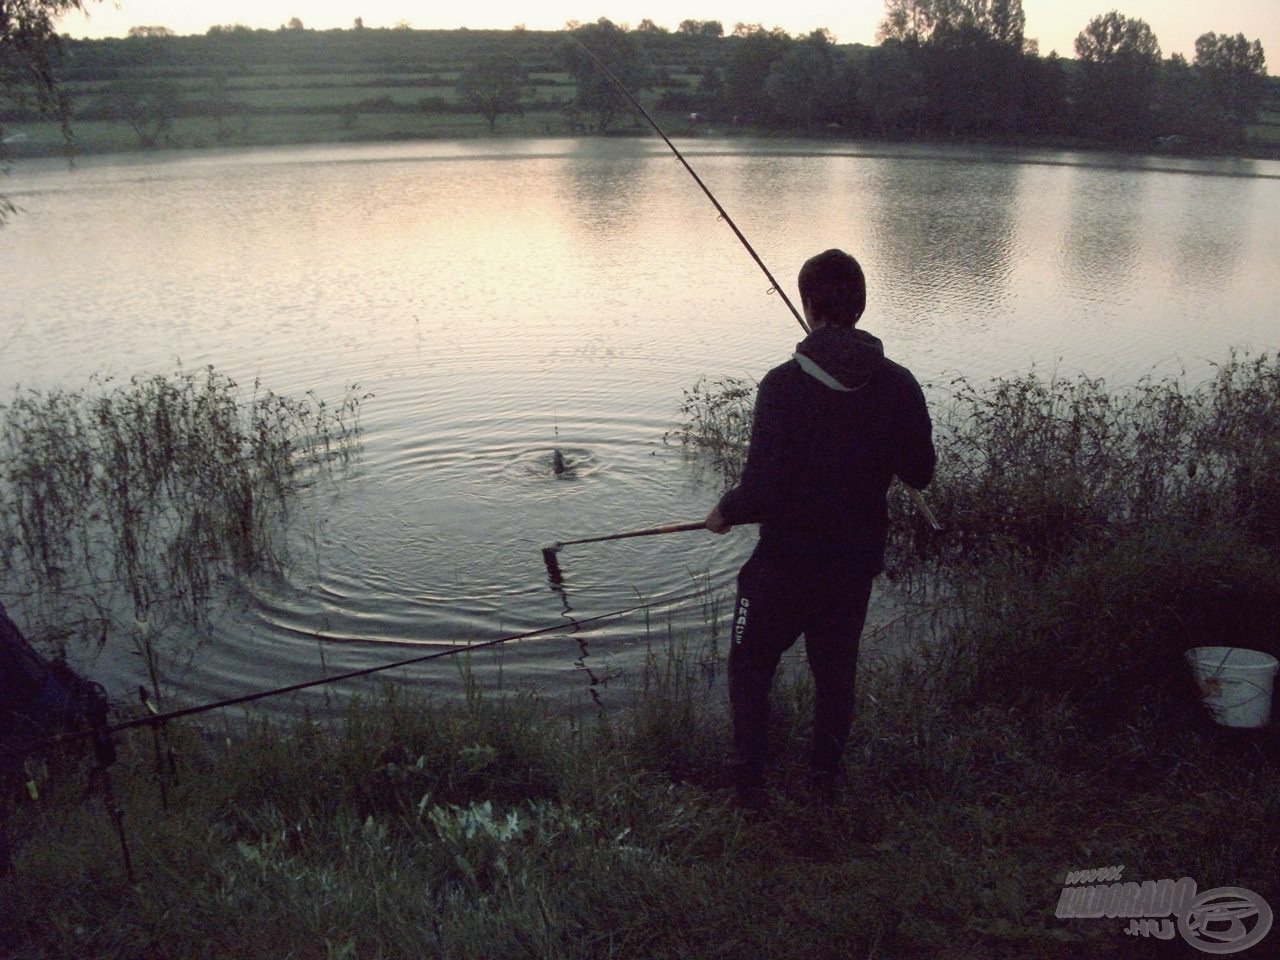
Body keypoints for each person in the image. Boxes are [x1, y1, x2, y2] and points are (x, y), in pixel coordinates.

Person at [705, 248, 935, 807]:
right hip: (853, 565)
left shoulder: (783, 384)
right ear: (860, 304)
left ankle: (751, 789)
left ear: (808, 305)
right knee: (834, 675)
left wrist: (725, 511)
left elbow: (762, 490)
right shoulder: (899, 383)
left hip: (784, 564)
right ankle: (823, 785)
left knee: (749, 666)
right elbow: (920, 473)